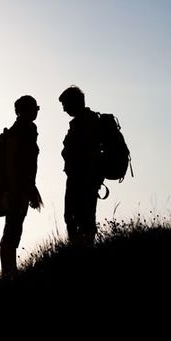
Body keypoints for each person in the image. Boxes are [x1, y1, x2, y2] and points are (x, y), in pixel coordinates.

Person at [0, 95, 43, 278]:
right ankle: (9, 273)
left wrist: (31, 189)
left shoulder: (27, 130)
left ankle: (10, 272)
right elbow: (13, 164)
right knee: (12, 231)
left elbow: (28, 166)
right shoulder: (20, 132)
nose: (36, 112)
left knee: (14, 229)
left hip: (19, 189)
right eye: (34, 108)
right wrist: (17, 191)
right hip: (15, 190)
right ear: (24, 111)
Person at [59, 85, 102, 248]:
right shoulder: (84, 122)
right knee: (78, 217)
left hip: (83, 179)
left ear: (74, 102)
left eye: (65, 105)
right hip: (81, 178)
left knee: (81, 218)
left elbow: (88, 152)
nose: (64, 109)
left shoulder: (86, 123)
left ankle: (81, 253)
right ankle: (80, 250)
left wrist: (90, 177)